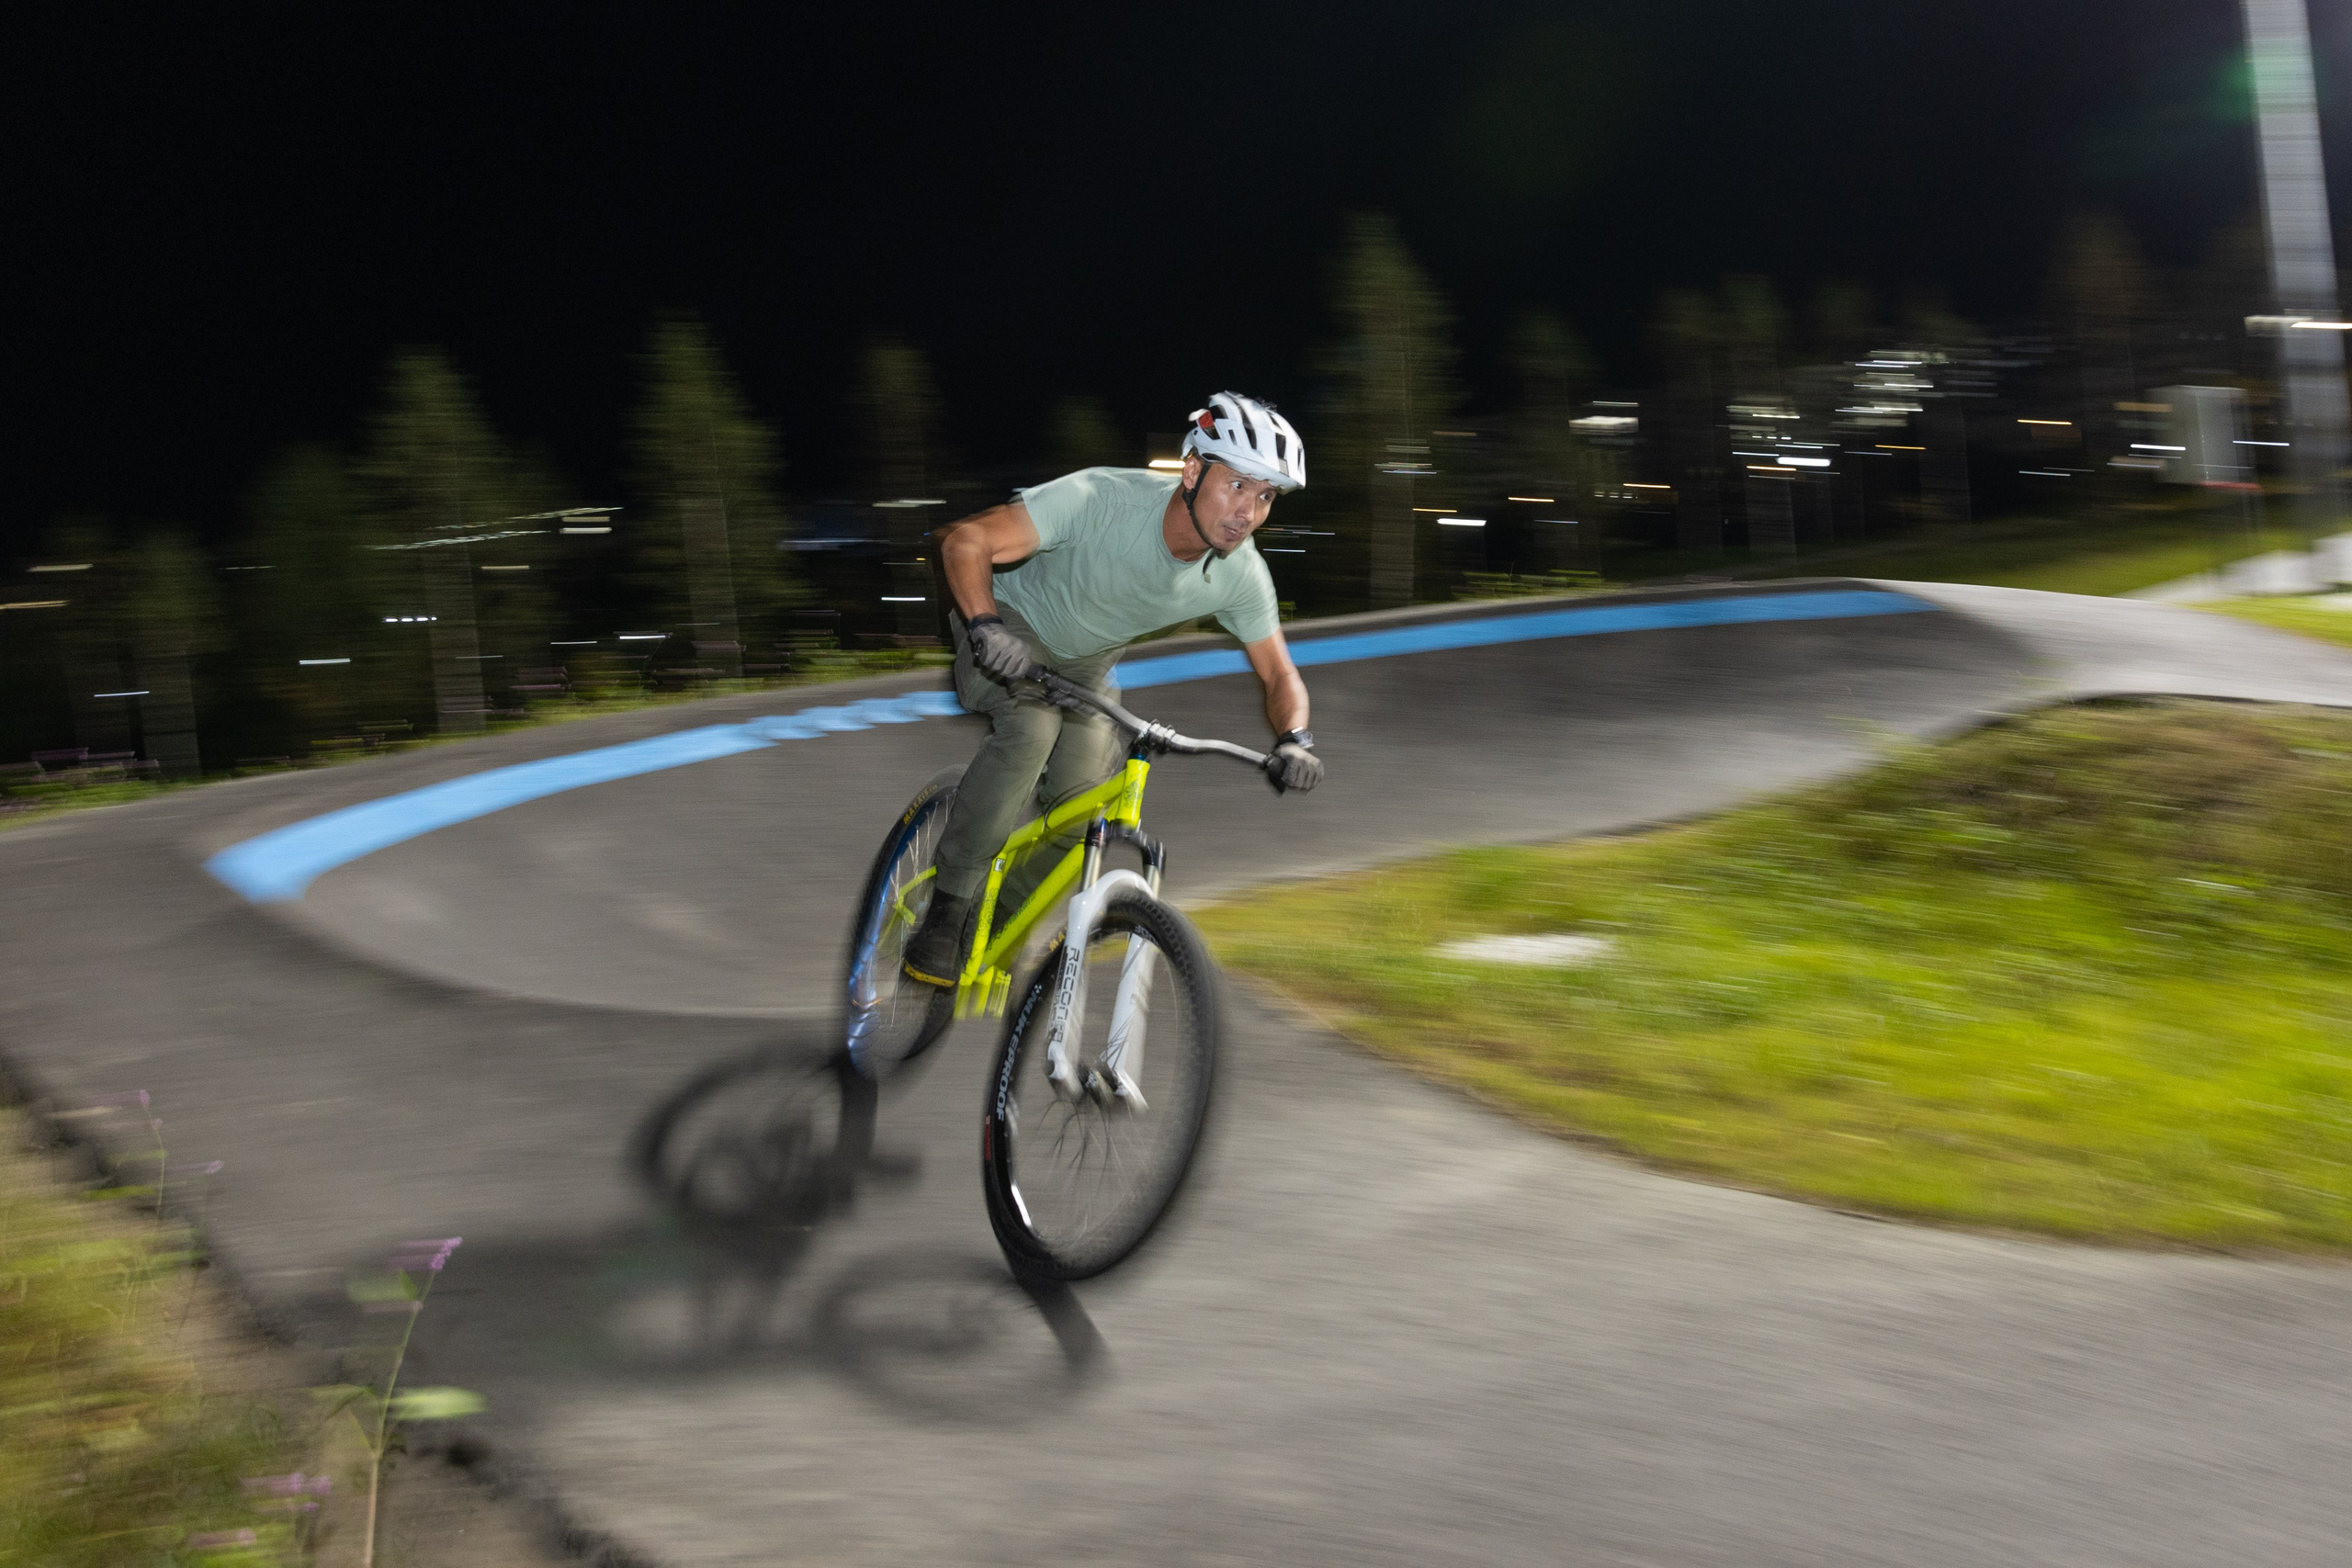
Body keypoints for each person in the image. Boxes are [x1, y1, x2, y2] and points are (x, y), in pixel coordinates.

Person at [901, 391, 1324, 987]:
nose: (1248, 512)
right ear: (1193, 470)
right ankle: (947, 909)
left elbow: (1281, 673)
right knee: (1031, 732)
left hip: (1088, 668)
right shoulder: (1101, 498)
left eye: (1265, 496)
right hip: (1008, 633)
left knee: (1083, 810)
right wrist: (986, 626)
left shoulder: (1239, 571)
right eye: (1237, 486)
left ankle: (993, 922)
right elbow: (965, 542)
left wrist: (1295, 739)